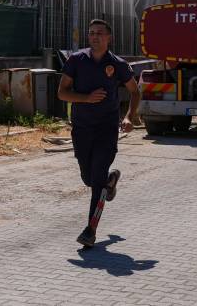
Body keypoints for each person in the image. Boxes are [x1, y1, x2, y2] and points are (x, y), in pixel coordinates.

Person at [58, 19, 140, 248]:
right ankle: (110, 181)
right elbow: (62, 93)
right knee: (88, 178)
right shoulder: (76, 60)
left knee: (96, 180)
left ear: (109, 38)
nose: (94, 36)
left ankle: (90, 230)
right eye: (91, 33)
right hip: (82, 128)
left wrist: (128, 117)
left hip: (106, 129)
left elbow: (135, 92)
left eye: (100, 33)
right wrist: (85, 98)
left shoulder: (118, 64)